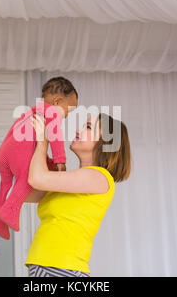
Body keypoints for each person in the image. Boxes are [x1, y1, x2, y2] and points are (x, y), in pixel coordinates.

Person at [24, 112, 131, 277]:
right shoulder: (72, 181)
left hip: (62, 269)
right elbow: (26, 193)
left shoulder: (99, 177)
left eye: (88, 127)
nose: (77, 131)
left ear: (105, 142)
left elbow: (36, 178)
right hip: (45, 266)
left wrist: (42, 142)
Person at [0, 77, 78, 240]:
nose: (65, 115)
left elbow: (21, 135)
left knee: (6, 186)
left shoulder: (32, 112)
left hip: (4, 151)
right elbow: (56, 136)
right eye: (68, 111)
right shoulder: (52, 112)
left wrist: (48, 160)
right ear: (58, 101)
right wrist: (60, 160)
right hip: (17, 152)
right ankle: (10, 211)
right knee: (28, 178)